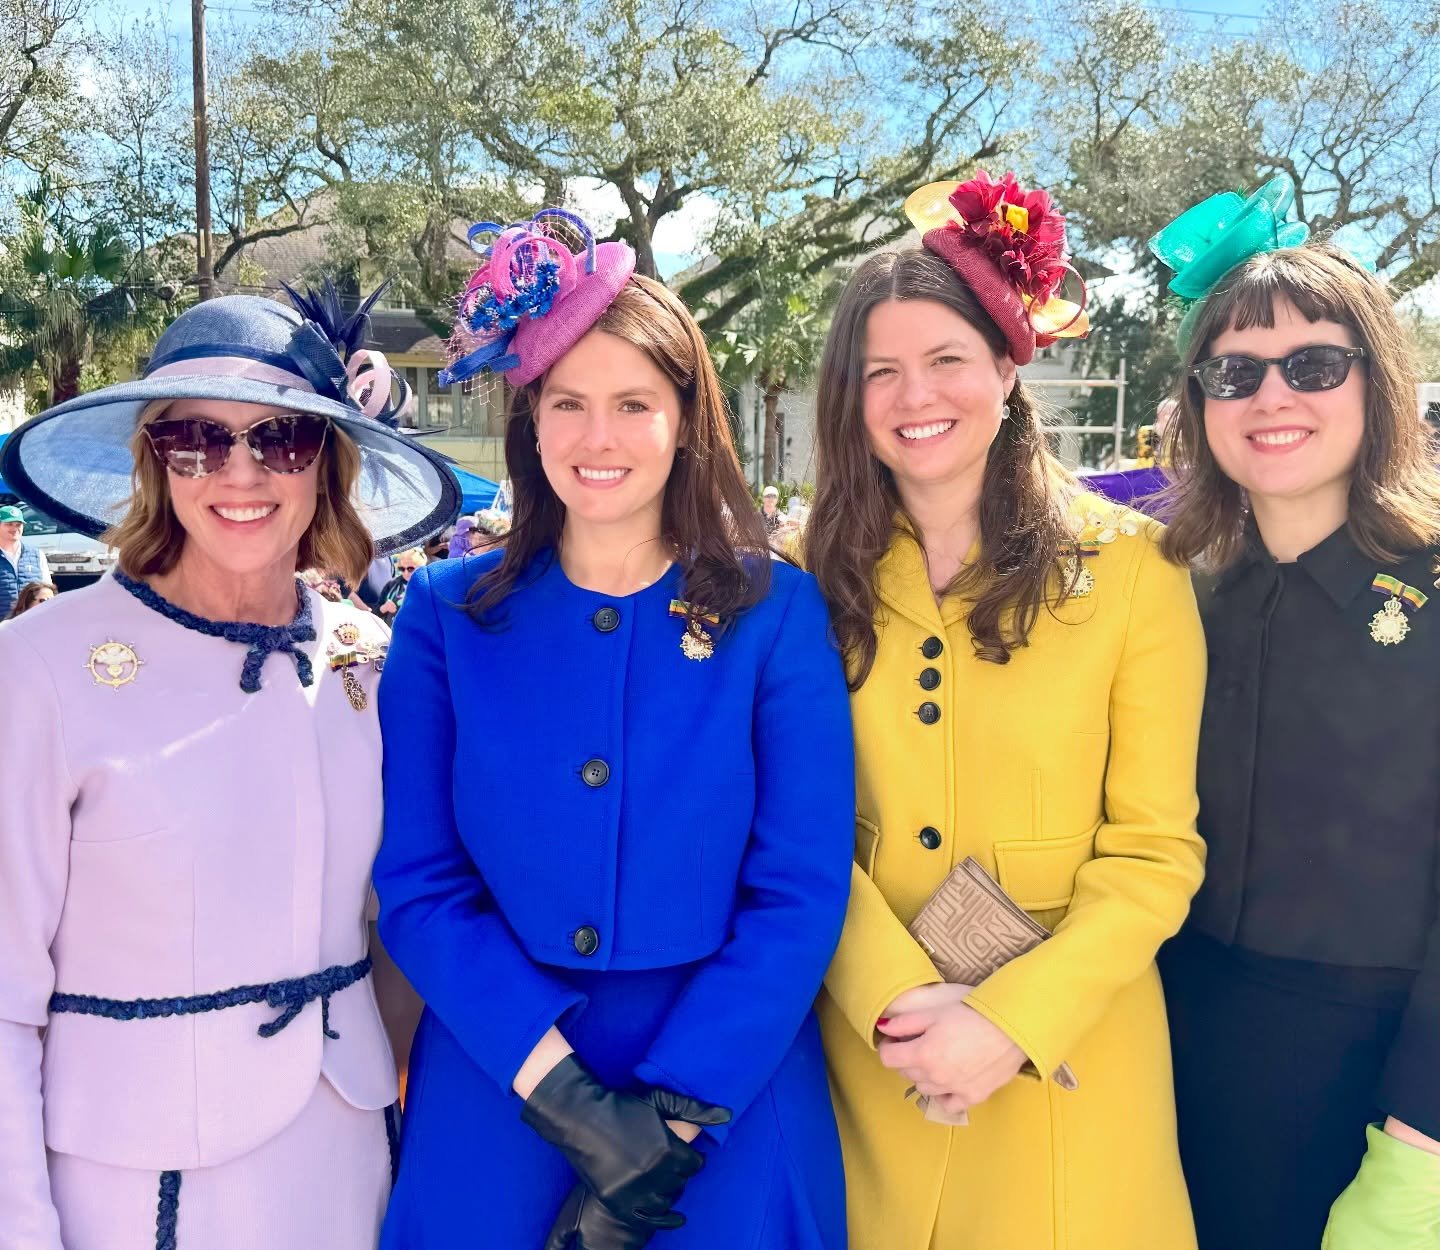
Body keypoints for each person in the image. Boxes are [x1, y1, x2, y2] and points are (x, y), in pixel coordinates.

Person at [374, 208, 854, 1250]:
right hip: (503, 1082)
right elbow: (419, 881)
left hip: (723, 1100)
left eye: (635, 402)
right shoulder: (446, 615)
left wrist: (667, 1127)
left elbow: (800, 889)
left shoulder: (776, 614)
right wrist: (571, 1103)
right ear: (530, 420)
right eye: (570, 403)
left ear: (686, 418)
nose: (600, 436)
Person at [0, 282, 460, 1249]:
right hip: (131, 1187)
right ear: (157, 460)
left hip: (347, 1160)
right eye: (197, 440)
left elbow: (408, 917)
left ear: (325, 462)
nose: (240, 473)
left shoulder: (368, 659)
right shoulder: (37, 668)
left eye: (280, 440)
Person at [804, 170, 1207, 1250]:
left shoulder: (1133, 572)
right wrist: (895, 999)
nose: (912, 393)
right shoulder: (808, 580)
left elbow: (1155, 853)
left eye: (944, 358)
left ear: (1005, 366)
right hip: (874, 1069)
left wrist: (1007, 1020)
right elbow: (789, 833)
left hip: (1070, 1078)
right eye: (879, 370)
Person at [1148, 176, 1440, 1250]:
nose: (1272, 397)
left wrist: (1423, 1139)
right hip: (1173, 1046)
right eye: (1234, 372)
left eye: (1314, 364)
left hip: (1378, 1070)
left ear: (1378, 384)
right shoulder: (1179, 592)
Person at [0, 502, 51, 617]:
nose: (15, 528)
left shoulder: (37, 555)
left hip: (30, 624)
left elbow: (47, 592)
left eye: (18, 524)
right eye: (9, 524)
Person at [377, 548, 425, 618]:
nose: (405, 573)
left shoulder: (428, 587)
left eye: (410, 569)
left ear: (420, 567)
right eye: (402, 569)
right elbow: (376, 611)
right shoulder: (391, 585)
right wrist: (383, 608)